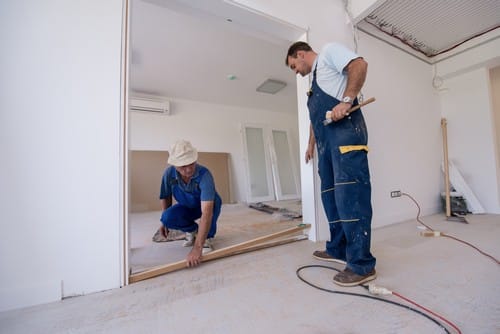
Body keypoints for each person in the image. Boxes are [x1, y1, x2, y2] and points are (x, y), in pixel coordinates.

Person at [286, 41, 376, 286]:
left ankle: (362, 264)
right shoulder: (313, 82)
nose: (296, 71)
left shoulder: (328, 53)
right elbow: (317, 117)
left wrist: (347, 100)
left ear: (301, 53)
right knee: (330, 198)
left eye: (294, 65)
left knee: (350, 197)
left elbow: (360, 64)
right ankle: (338, 248)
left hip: (346, 135)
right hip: (326, 144)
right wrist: (310, 144)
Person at [158, 139, 222, 267]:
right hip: (187, 205)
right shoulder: (168, 174)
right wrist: (163, 223)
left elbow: (206, 213)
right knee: (167, 218)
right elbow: (166, 196)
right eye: (183, 166)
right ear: (175, 165)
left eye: (191, 163)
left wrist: (197, 248)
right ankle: (193, 230)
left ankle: (206, 237)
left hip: (207, 206)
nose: (188, 170)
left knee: (212, 207)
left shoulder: (205, 175)